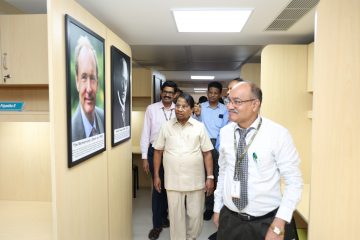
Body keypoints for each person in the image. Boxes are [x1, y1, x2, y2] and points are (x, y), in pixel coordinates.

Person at [214, 81, 303, 240]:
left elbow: (294, 182)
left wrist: (279, 223)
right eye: (228, 100)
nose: (229, 106)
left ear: (255, 104)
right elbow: (223, 172)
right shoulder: (226, 132)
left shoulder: (278, 134)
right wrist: (217, 208)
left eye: (237, 101)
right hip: (229, 219)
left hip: (265, 222)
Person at [153, 92, 215, 240]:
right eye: (178, 106)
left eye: (184, 106)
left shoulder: (199, 127)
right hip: (173, 181)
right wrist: (156, 175)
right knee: (176, 219)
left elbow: (207, 153)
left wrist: (210, 177)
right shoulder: (166, 126)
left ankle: (191, 238)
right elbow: (157, 151)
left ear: (192, 109)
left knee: (195, 216)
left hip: (195, 181)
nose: (180, 109)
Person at [140, 80, 178, 240]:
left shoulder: (180, 109)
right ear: (161, 92)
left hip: (173, 153)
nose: (167, 94)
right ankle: (157, 225)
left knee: (170, 188)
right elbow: (145, 133)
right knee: (157, 189)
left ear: (175, 94)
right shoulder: (152, 109)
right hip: (154, 151)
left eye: (171, 92)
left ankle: (164, 217)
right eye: (165, 91)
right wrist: (144, 157)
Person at [193, 81, 227, 221]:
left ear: (220, 94)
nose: (212, 95)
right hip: (203, 145)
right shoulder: (201, 108)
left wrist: (219, 147)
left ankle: (219, 208)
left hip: (220, 144)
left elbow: (225, 129)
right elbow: (195, 125)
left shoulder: (225, 109)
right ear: (207, 93)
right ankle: (208, 207)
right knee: (207, 177)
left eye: (215, 93)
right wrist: (197, 114)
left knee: (220, 178)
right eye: (210, 92)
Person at [71, 36, 104, 142]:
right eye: (84, 77)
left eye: (93, 78)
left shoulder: (104, 118)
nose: (89, 89)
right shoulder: (70, 133)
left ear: (98, 82)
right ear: (77, 81)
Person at [113, 57, 130, 129]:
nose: (124, 88)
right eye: (121, 80)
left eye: (126, 82)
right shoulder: (112, 112)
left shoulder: (127, 110)